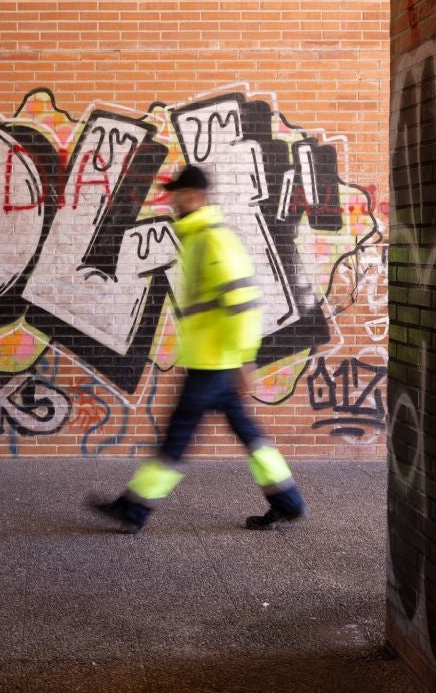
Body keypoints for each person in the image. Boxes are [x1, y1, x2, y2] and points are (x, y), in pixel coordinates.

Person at [89, 164, 307, 534]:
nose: (171, 200)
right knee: (249, 433)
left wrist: (243, 359)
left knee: (177, 436)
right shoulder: (197, 237)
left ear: (195, 196)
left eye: (177, 193)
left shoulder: (212, 239)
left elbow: (242, 303)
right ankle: (287, 501)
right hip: (212, 360)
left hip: (215, 363)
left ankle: (134, 509)